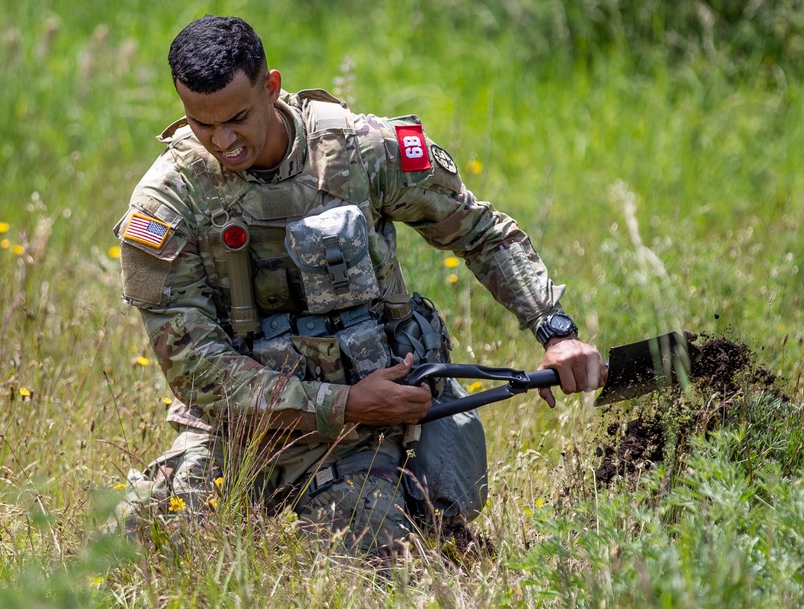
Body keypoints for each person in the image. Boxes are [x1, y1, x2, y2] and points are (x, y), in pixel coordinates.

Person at [110, 15, 606, 556]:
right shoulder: (168, 200)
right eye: (202, 125)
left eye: (238, 118)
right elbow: (197, 369)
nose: (223, 142)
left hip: (375, 421)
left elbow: (480, 232)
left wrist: (554, 330)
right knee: (138, 549)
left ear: (271, 87)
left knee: (381, 569)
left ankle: (420, 512)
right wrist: (343, 403)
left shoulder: (360, 150)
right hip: (247, 428)